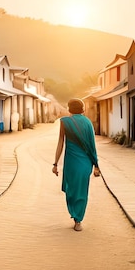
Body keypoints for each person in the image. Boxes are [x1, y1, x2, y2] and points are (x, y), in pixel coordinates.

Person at [52, 98, 100, 231]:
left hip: (71, 162)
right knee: (82, 190)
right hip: (86, 163)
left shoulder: (65, 122)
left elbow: (60, 143)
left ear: (69, 109)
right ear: (83, 109)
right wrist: (96, 165)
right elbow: (92, 146)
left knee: (72, 189)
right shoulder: (88, 122)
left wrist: (55, 163)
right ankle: (78, 220)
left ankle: (76, 216)